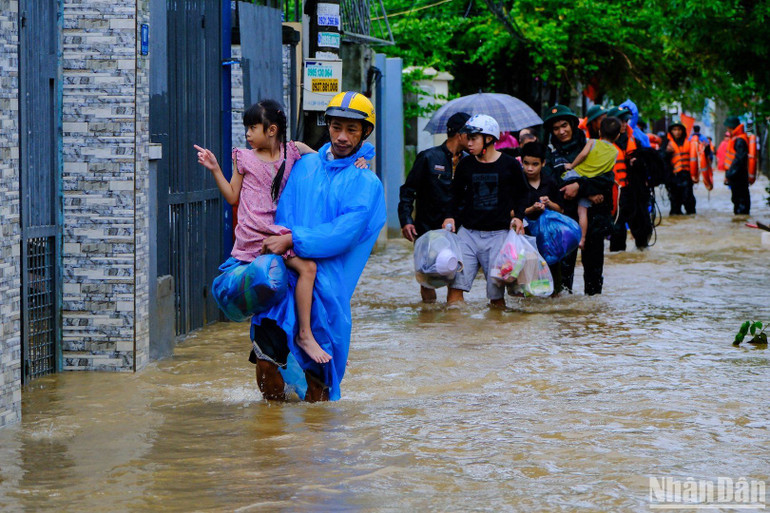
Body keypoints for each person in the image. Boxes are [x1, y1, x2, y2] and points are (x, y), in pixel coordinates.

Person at [248, 91, 386, 402]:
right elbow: (283, 209)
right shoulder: (306, 166)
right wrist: (285, 245)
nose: (342, 136)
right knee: (266, 365)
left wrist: (294, 240)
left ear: (365, 132)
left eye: (352, 129)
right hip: (284, 281)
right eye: (336, 127)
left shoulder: (366, 183)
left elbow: (344, 233)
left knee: (317, 390)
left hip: (326, 297)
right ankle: (272, 447)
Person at [196, 99, 342, 365]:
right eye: (247, 128)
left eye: (253, 127)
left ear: (271, 130)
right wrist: (215, 168)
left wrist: (360, 161)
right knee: (304, 270)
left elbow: (328, 159)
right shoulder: (244, 157)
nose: (248, 134)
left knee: (307, 270)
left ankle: (305, 335)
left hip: (278, 236)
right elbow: (231, 196)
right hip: (255, 239)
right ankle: (303, 335)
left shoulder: (294, 152)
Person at [441, 114, 527, 307]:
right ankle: (454, 333)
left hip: (499, 236)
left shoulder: (510, 165)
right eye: (467, 138)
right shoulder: (465, 164)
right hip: (468, 235)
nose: (468, 143)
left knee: (496, 296)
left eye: (473, 139)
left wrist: (519, 217)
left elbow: (523, 193)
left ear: (488, 139)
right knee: (455, 288)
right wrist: (450, 216)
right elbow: (454, 194)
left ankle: (494, 334)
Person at [542, 104, 614, 295]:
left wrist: (579, 187)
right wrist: (584, 190)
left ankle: (592, 319)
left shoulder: (592, 145)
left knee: (594, 276)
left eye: (564, 125)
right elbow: (549, 182)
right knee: (563, 280)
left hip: (594, 218)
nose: (561, 131)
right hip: (563, 220)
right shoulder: (549, 153)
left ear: (573, 124)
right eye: (556, 128)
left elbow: (607, 178)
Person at [398, 112, 470, 303]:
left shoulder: (469, 162)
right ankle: (428, 317)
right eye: (469, 133)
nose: (472, 138)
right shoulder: (428, 158)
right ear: (459, 134)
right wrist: (406, 220)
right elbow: (408, 190)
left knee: (455, 278)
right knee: (428, 278)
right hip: (427, 228)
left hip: (458, 231)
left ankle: (450, 323)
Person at [564, 116, 621, 249]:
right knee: (582, 212)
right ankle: (582, 240)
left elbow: (583, 155)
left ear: (600, 132)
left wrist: (571, 165)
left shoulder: (592, 142)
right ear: (617, 136)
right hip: (592, 184)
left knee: (562, 187)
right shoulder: (615, 152)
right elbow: (607, 172)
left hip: (576, 174)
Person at [519, 141, 564, 290]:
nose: (530, 168)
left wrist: (549, 203)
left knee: (554, 284)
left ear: (543, 163)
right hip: (525, 240)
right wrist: (530, 209)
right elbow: (511, 212)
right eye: (526, 163)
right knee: (528, 284)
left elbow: (561, 210)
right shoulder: (517, 182)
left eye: (535, 164)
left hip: (549, 240)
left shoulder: (549, 182)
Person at [661, 119, 697, 216]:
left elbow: (697, 157)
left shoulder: (689, 142)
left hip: (686, 176)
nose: (677, 132)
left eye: (679, 130)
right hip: (673, 178)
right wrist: (667, 153)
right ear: (671, 131)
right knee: (675, 206)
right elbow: (660, 159)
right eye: (675, 130)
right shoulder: (666, 143)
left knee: (689, 202)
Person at [723, 116, 751, 214]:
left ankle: (741, 219)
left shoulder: (740, 140)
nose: (727, 130)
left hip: (738, 176)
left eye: (728, 128)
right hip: (737, 175)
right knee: (738, 200)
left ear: (731, 128)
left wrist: (729, 174)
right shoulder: (738, 139)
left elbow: (739, 159)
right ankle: (740, 219)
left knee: (740, 201)